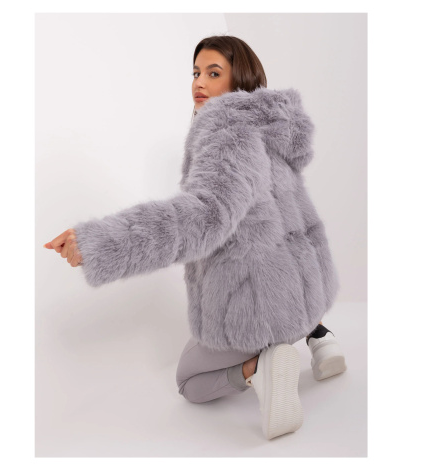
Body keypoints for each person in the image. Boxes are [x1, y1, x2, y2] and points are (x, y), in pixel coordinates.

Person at [43, 35, 346, 440]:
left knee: (188, 380)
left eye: (213, 73)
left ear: (240, 79)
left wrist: (99, 244)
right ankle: (321, 338)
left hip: (262, 310)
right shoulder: (273, 127)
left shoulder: (227, 132)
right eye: (196, 72)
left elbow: (203, 217)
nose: (199, 83)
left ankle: (262, 367)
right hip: (310, 294)